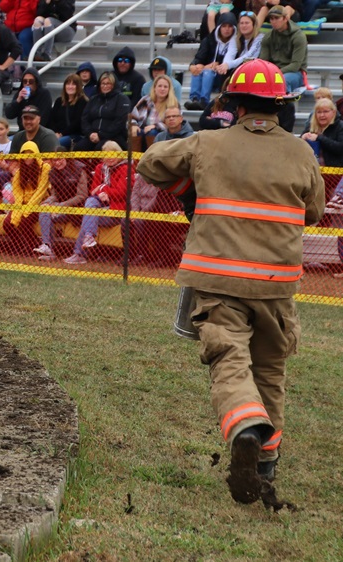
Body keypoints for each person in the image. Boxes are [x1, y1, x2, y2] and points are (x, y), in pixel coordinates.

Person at [137, 59, 324, 503]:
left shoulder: (206, 142)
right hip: (276, 286)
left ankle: (243, 427)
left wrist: (190, 191)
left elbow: (150, 163)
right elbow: (314, 211)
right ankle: (265, 462)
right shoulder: (302, 152)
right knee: (271, 370)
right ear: (281, 107)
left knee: (228, 359)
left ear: (234, 104)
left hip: (218, 281)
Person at [64, 141, 132, 264]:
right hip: (100, 206)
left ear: (119, 155)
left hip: (115, 210)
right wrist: (101, 192)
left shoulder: (126, 168)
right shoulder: (100, 168)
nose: (109, 158)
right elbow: (92, 191)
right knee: (90, 202)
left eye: (113, 155)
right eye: (106, 155)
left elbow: (123, 192)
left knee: (88, 217)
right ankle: (89, 237)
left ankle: (79, 254)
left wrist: (104, 190)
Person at [33, 146, 89, 260]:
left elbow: (82, 195)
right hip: (62, 207)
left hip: (78, 209)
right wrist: (48, 202)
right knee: (44, 210)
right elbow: (55, 195)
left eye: (60, 159)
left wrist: (60, 206)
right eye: (54, 160)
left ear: (66, 158)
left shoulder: (79, 169)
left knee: (51, 210)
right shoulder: (53, 173)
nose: (57, 163)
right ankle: (48, 247)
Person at [0, 141, 52, 252]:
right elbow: (17, 192)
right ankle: (20, 246)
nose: (27, 157)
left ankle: (35, 246)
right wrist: (19, 208)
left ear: (36, 154)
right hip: (22, 203)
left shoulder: (45, 168)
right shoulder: (20, 171)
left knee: (24, 222)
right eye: (24, 153)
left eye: (30, 153)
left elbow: (41, 191)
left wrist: (28, 208)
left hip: (39, 203)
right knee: (7, 224)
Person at [185, 12, 237, 110]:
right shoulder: (209, 40)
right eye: (224, 26)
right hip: (207, 74)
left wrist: (209, 67)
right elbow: (199, 57)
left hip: (223, 77)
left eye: (230, 26)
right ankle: (195, 99)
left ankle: (204, 101)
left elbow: (227, 64)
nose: (227, 29)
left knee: (207, 72)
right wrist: (193, 65)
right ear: (219, 27)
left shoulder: (235, 43)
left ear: (234, 28)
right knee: (197, 70)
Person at [75, 71, 132, 150]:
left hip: (114, 136)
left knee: (100, 148)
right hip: (92, 135)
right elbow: (85, 119)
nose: (105, 86)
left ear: (114, 85)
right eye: (103, 83)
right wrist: (90, 133)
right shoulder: (94, 99)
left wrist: (101, 135)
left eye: (108, 83)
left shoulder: (122, 99)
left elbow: (120, 121)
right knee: (79, 148)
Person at [258, 5, 307, 94]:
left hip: (296, 73)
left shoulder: (298, 36)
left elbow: (295, 65)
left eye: (277, 18)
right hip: (273, 72)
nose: (273, 21)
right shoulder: (268, 37)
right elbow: (263, 61)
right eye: (271, 19)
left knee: (282, 81)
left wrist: (275, 73)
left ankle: (284, 106)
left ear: (285, 18)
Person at [131, 74, 180, 150]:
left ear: (169, 89)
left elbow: (175, 125)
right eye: (160, 86)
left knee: (152, 132)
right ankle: (135, 160)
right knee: (135, 132)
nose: (162, 89)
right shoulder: (145, 100)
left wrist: (155, 126)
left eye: (165, 87)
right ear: (154, 88)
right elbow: (133, 117)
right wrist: (133, 125)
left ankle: (152, 159)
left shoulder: (174, 103)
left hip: (165, 136)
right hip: (143, 132)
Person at [49, 73, 88, 149]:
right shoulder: (59, 101)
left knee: (55, 143)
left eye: (73, 84)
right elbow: (51, 119)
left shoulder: (83, 101)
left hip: (75, 135)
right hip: (57, 134)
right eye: (68, 84)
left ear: (78, 86)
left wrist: (61, 134)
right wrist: (55, 132)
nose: (70, 87)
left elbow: (77, 123)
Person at [301, 98, 343, 165]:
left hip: (335, 171)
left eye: (325, 111)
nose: (322, 115)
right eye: (319, 112)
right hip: (312, 169)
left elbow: (340, 148)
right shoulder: (310, 126)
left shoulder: (340, 126)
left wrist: (319, 138)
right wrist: (302, 139)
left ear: (334, 112)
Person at [222, 10, 264, 75]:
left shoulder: (259, 38)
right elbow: (230, 53)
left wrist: (228, 65)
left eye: (247, 23)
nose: (244, 26)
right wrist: (224, 65)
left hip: (254, 69)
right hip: (239, 68)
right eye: (241, 23)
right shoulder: (236, 38)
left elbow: (248, 57)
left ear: (254, 24)